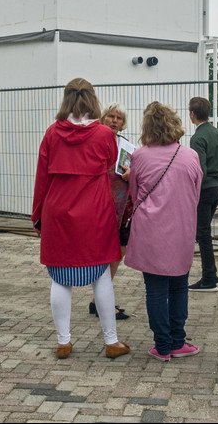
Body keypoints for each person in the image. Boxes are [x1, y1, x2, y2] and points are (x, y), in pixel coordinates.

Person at [31, 78, 131, 360]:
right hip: (95, 213)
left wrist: (37, 216)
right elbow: (113, 166)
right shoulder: (103, 135)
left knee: (60, 277)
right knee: (101, 276)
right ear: (92, 100)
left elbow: (42, 178)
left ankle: (64, 342)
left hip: (58, 212)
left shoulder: (52, 133)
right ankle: (111, 342)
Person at [124, 102, 203, 360]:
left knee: (155, 288)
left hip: (150, 231)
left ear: (147, 127)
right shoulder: (190, 155)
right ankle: (178, 341)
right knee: (179, 286)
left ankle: (162, 345)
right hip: (181, 229)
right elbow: (196, 192)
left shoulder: (139, 156)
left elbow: (135, 195)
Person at [90, 102, 132, 321]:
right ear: (103, 118)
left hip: (122, 207)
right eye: (111, 116)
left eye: (119, 118)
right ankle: (101, 302)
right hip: (100, 205)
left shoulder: (126, 144)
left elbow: (131, 168)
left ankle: (98, 300)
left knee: (120, 250)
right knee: (106, 252)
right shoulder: (94, 140)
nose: (115, 121)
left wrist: (130, 173)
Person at [188, 96, 218, 292]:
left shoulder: (197, 138)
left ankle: (209, 278)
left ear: (192, 114)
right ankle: (212, 274)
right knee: (203, 233)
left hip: (204, 189)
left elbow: (199, 170)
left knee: (202, 234)